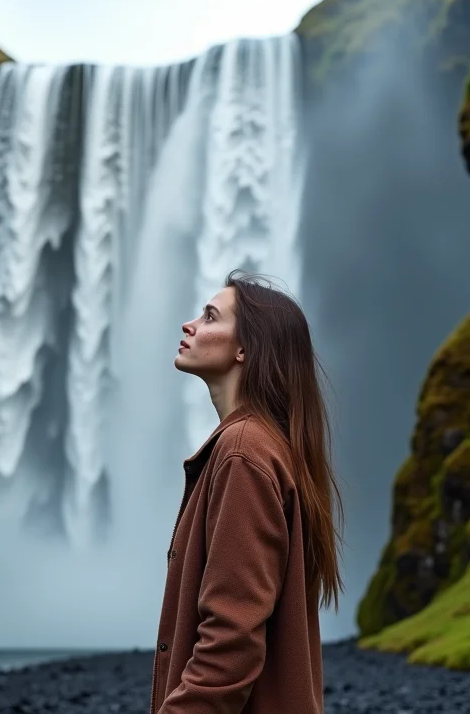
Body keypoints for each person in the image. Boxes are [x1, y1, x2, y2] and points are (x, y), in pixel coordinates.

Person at [150, 270, 344, 714]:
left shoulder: (243, 452)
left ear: (245, 350)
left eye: (210, 317)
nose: (190, 325)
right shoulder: (265, 445)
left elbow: (230, 643)